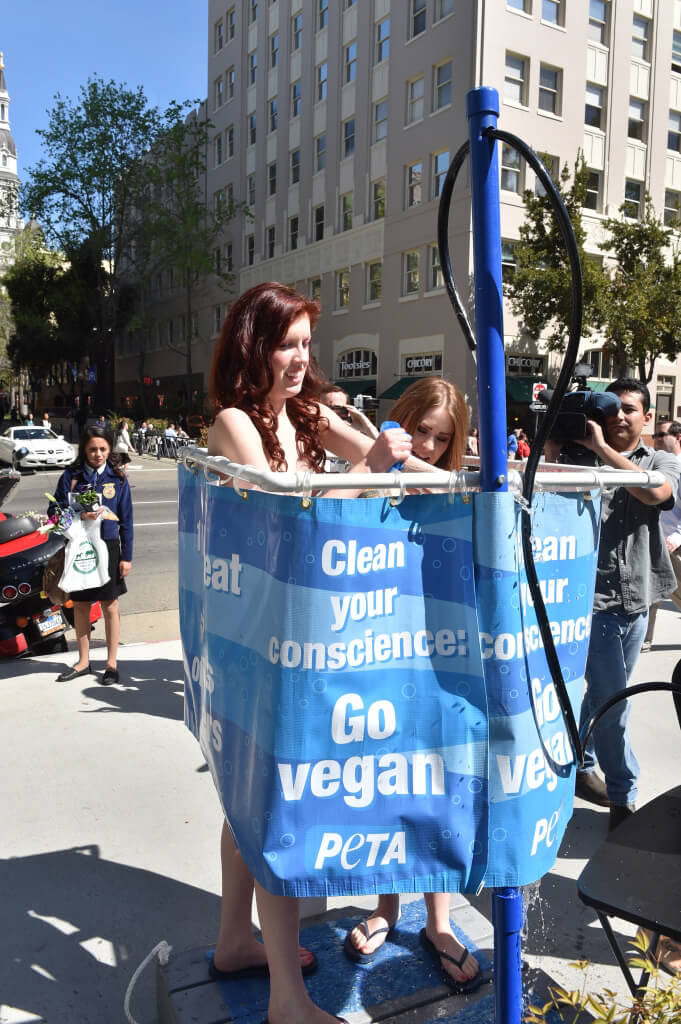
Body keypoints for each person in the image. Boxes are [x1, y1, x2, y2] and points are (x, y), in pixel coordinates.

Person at [206, 282, 420, 1024]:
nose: (300, 359)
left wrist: (502, 476)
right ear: (252, 345)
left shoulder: (310, 414)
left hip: (310, 633)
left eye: (306, 344)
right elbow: (290, 512)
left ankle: (237, 939)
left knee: (251, 799)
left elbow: (399, 463)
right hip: (262, 641)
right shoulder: (234, 424)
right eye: (286, 343)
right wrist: (370, 472)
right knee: (276, 804)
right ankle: (286, 1003)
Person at [341, 377, 481, 994]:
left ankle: (439, 922)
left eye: (441, 437)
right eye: (419, 428)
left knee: (439, 776)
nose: (426, 443)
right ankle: (387, 908)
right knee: (386, 773)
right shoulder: (367, 468)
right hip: (379, 646)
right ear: (400, 420)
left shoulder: (457, 487)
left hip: (443, 651)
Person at [564, 380, 680, 830]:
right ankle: (622, 798)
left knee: (605, 694)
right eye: (611, 408)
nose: (620, 416)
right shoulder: (574, 457)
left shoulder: (661, 460)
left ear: (647, 417)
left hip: (640, 596)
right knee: (615, 701)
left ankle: (581, 760)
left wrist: (602, 452)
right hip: (591, 602)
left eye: (630, 409)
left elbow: (655, 494)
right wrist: (566, 438)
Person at [50, 426, 134, 686]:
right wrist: (77, 515)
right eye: (92, 449)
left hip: (109, 547)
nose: (98, 454)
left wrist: (126, 557)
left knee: (110, 605)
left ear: (109, 449)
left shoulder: (117, 478)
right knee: (82, 605)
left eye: (103, 449)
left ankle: (111, 664)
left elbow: (127, 521)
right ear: (84, 450)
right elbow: (54, 512)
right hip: (80, 548)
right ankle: (84, 661)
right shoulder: (71, 476)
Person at [641, 419, 681, 651]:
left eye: (660, 435)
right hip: (654, 538)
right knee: (650, 591)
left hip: (673, 543)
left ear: (677, 438)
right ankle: (644, 640)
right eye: (654, 435)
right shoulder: (655, 465)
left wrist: (675, 539)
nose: (655, 438)